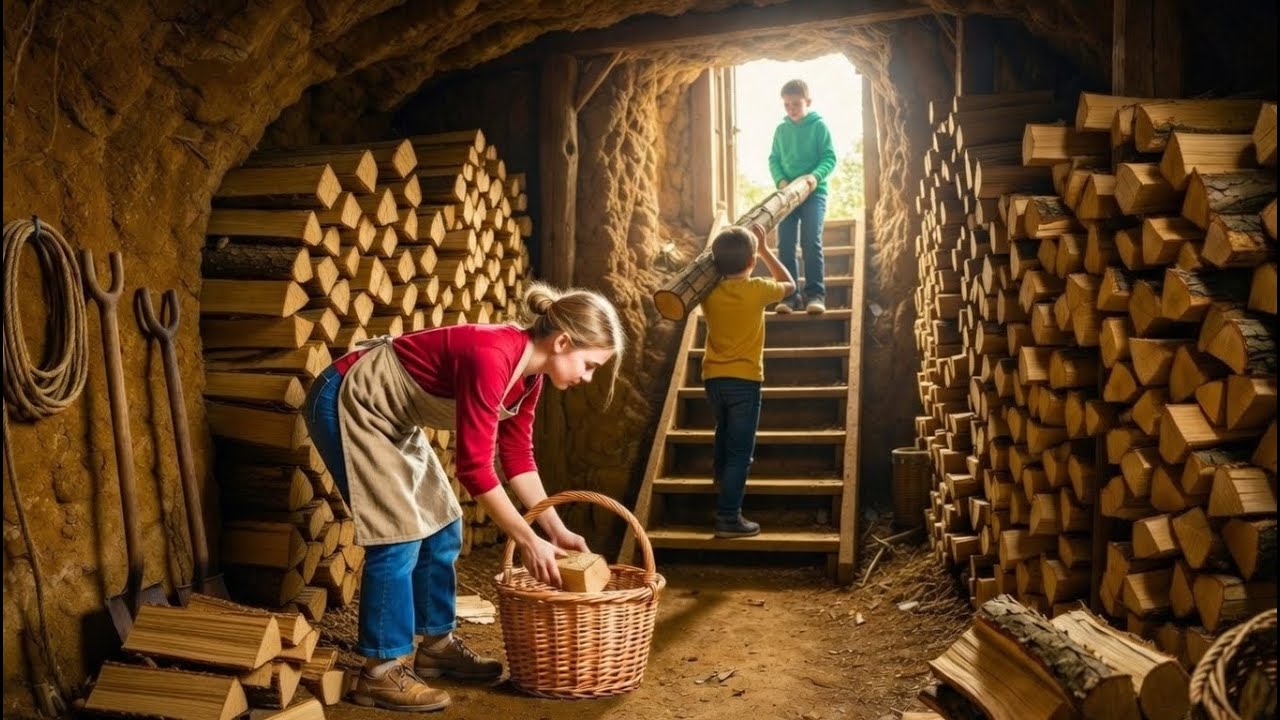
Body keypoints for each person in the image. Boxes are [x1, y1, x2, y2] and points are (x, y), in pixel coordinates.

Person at [302, 282, 625, 712]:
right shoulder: (492, 355)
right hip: (349, 397)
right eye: (589, 365)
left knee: (444, 522)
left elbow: (517, 457)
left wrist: (555, 529)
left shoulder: (529, 380)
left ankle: (436, 647)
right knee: (398, 534)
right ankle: (380, 673)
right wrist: (527, 539)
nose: (587, 377)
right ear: (563, 342)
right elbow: (474, 468)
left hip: (392, 417)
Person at [700, 225, 795, 538]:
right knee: (740, 453)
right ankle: (729, 517)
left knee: (723, 430)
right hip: (745, 381)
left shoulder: (708, 291)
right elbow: (790, 284)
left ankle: (721, 478)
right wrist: (765, 249)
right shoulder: (757, 289)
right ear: (752, 261)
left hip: (713, 379)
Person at [768, 78, 838, 315]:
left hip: (814, 192)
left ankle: (815, 295)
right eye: (787, 105)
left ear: (808, 101)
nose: (791, 109)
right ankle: (789, 296)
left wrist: (814, 177)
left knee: (811, 242)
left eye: (796, 104)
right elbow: (774, 159)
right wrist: (781, 181)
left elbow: (829, 158)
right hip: (787, 195)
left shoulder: (819, 127)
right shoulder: (781, 130)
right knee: (785, 244)